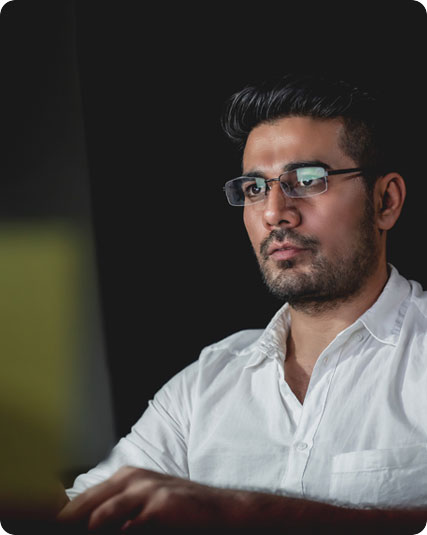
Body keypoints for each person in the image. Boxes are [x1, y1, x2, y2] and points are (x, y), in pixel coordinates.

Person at [57, 73, 427, 534]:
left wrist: (251, 515)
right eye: (255, 188)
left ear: (385, 201)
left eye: (308, 180)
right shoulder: (203, 387)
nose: (274, 212)